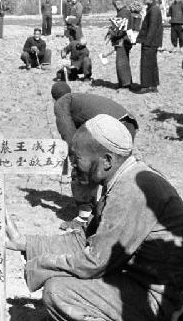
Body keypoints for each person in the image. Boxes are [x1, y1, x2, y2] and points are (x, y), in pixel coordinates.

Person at [4, 115, 183, 321]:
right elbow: (85, 239)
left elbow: (93, 262)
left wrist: (38, 267)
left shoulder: (131, 189)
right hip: (159, 296)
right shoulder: (123, 179)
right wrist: (25, 243)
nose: (73, 166)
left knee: (60, 293)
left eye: (77, 158)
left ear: (106, 160)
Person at [51, 82, 139, 231]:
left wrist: (75, 162)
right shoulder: (77, 100)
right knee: (116, 171)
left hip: (112, 127)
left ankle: (83, 218)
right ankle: (113, 211)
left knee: (83, 168)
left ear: (53, 98)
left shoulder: (61, 103)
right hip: (128, 124)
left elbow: (70, 138)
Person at [134, 0, 162, 93]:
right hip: (152, 42)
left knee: (146, 64)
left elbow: (152, 28)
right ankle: (153, 85)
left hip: (150, 42)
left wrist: (147, 42)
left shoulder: (154, 9)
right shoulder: (153, 8)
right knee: (152, 63)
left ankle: (145, 86)